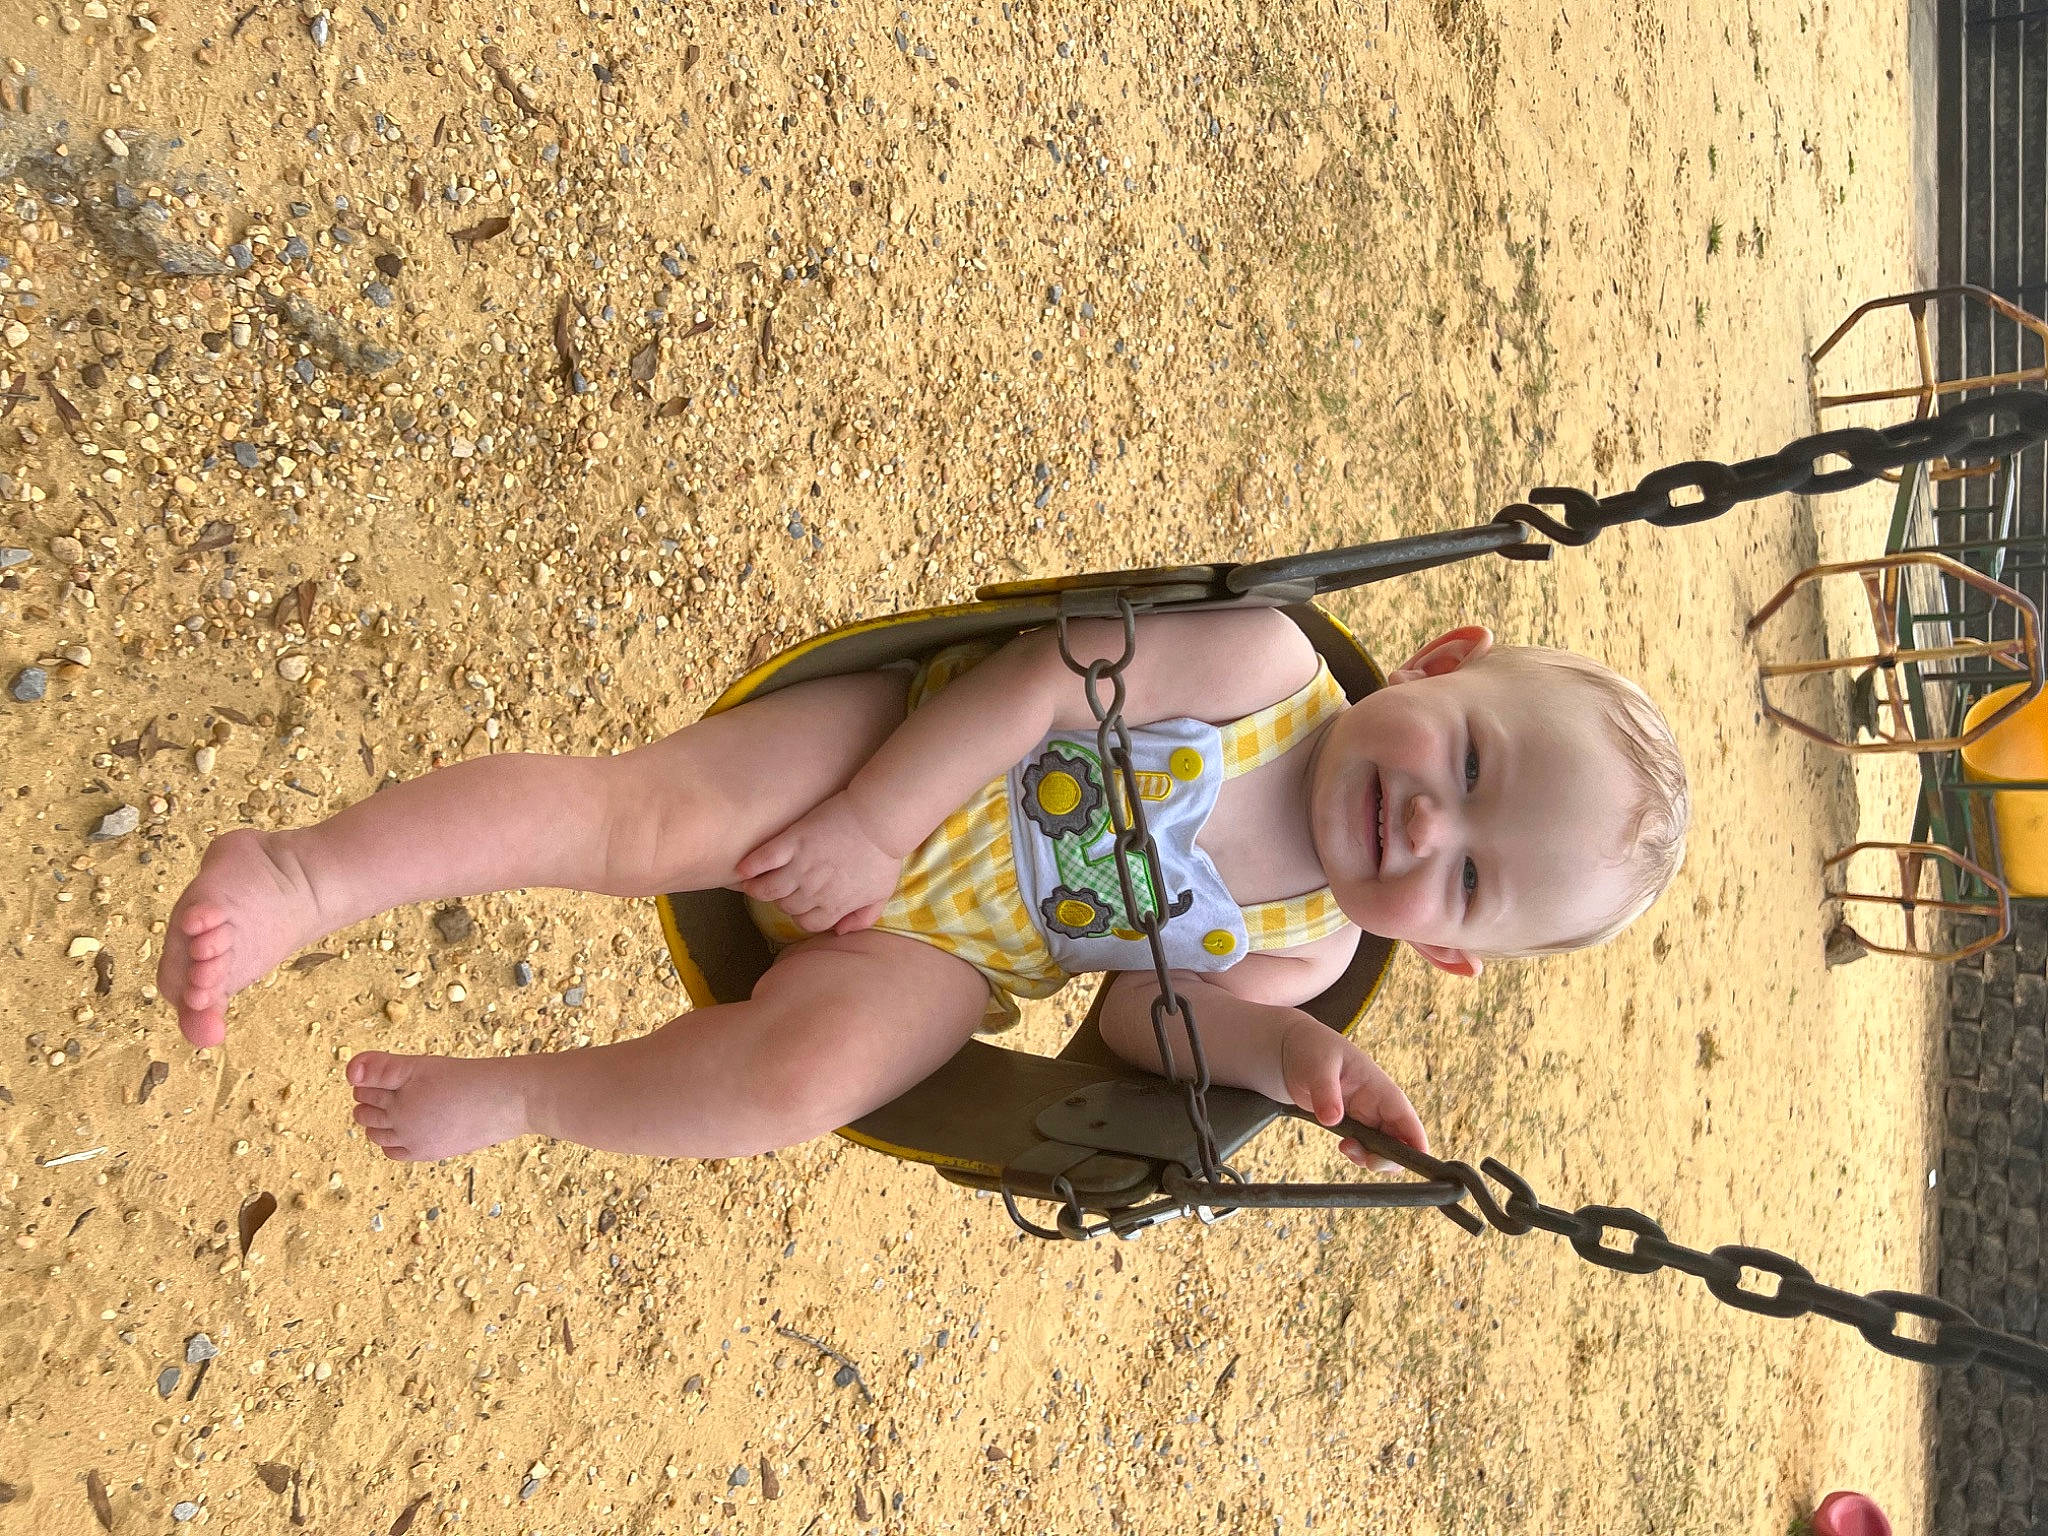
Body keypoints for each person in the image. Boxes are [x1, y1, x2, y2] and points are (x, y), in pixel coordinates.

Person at [154, 609, 1688, 1170]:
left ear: (1450, 955)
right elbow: (1042, 679)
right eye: (1469, 763)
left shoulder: (1303, 952)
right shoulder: (1265, 668)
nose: (1426, 824)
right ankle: (299, 874)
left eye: (1467, 877)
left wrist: (1296, 1057)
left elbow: (1138, 1027)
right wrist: (877, 821)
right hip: (904, 763)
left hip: (959, 956)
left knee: (799, 1083)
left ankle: (528, 1097)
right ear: (1441, 662)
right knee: (635, 816)